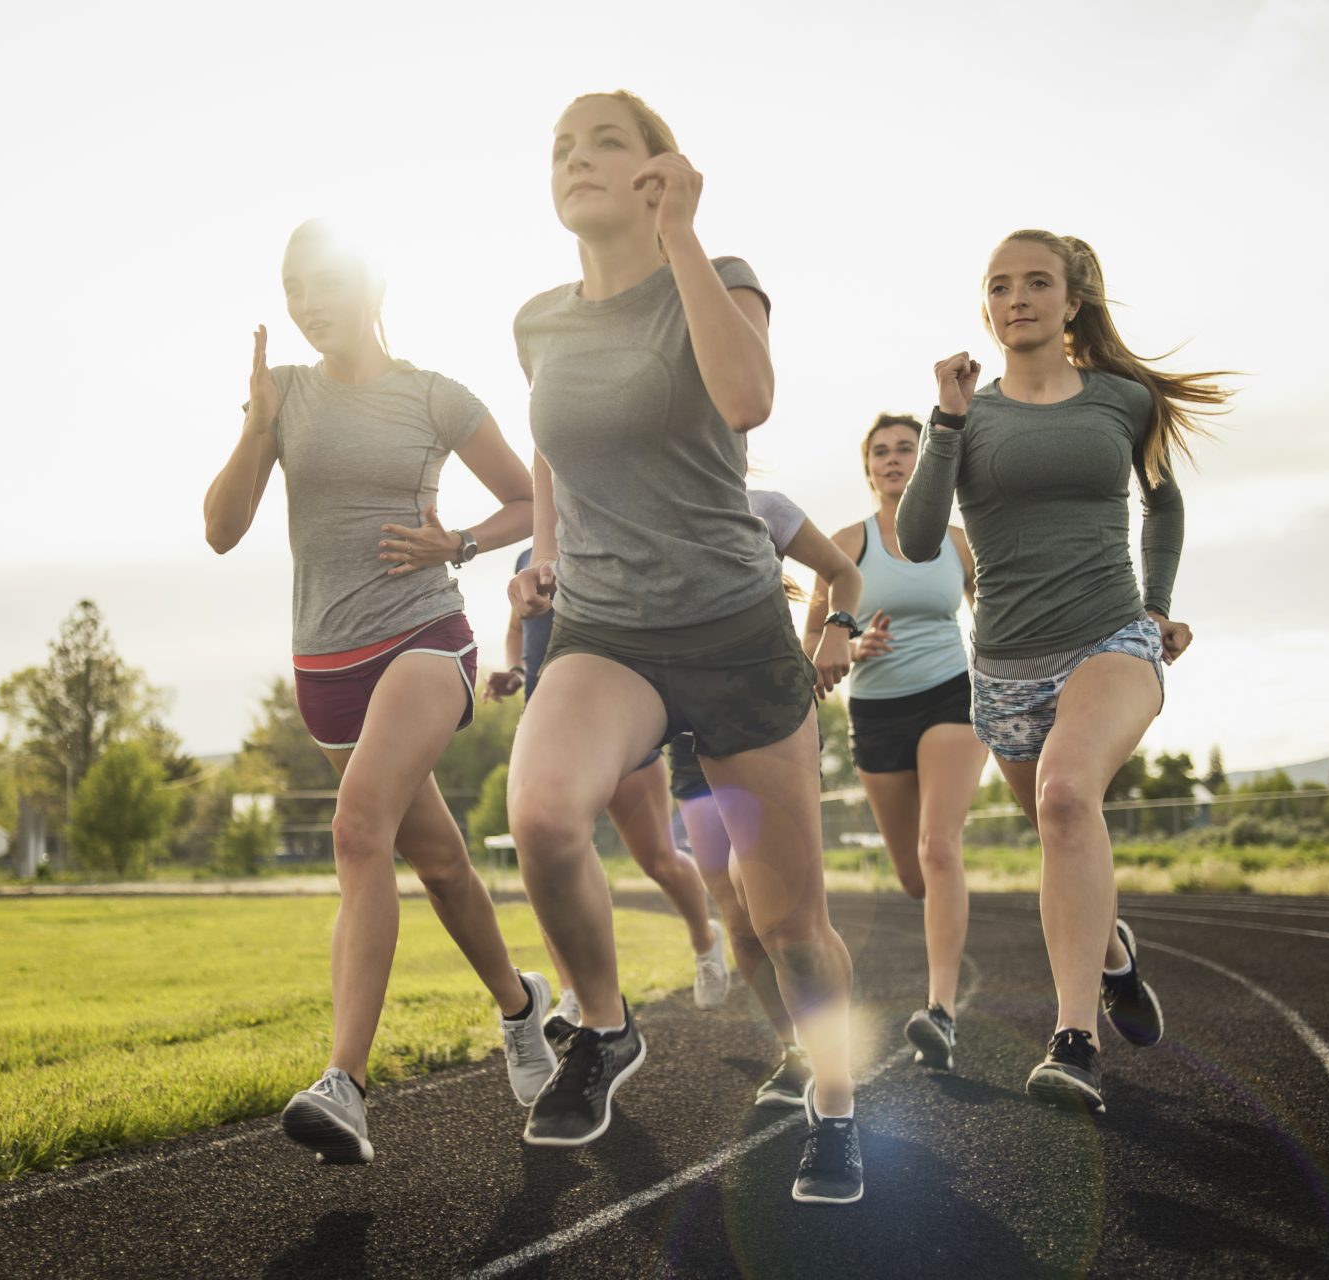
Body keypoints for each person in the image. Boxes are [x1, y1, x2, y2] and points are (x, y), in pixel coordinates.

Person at [505, 90, 863, 1203]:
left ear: (661, 166)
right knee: (541, 810)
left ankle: (836, 1104)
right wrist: (545, 555)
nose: (575, 159)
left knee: (788, 922)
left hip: (737, 634)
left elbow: (749, 397)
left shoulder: (719, 269)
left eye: (603, 140)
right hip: (609, 629)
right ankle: (604, 1026)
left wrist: (683, 237)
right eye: (560, 147)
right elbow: (554, 449)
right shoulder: (539, 321)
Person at [203, 219, 556, 1164]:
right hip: (323, 667)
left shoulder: (435, 396)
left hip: (424, 640)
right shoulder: (283, 395)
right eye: (294, 290)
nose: (309, 304)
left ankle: (346, 1085)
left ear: (368, 285)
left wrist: (462, 544)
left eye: (323, 283)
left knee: (358, 829)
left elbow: (530, 499)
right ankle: (522, 1009)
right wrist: (257, 429)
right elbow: (222, 530)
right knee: (438, 863)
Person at [896, 230, 1229, 1114]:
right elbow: (921, 540)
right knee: (1061, 832)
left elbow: (1164, 502)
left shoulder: (1123, 401)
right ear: (987, 309)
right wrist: (946, 419)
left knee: (1066, 797)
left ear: (1070, 300)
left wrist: (1156, 608)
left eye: (1037, 283)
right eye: (1000, 286)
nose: (1019, 299)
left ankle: (1073, 1042)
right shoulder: (969, 417)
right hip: (1004, 669)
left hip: (1110, 638)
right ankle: (1112, 954)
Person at [666, 487, 863, 1108]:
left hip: (762, 725)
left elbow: (843, 573)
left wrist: (837, 630)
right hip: (688, 741)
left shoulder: (762, 507)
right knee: (739, 919)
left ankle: (837, 1075)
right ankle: (793, 1052)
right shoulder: (641, 513)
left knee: (787, 919)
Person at [807, 414, 988, 1074]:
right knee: (914, 876)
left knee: (939, 846)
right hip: (877, 713)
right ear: (867, 469)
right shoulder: (846, 545)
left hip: (952, 697)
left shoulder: (961, 543)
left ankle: (940, 1010)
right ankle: (941, 983)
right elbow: (812, 647)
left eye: (905, 450)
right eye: (880, 452)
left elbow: (994, 619)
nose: (893, 460)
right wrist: (852, 645)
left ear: (926, 462)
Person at [485, 544, 732, 1019]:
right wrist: (517, 671)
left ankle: (705, 938)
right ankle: (575, 991)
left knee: (658, 858)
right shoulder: (525, 559)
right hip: (548, 727)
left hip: (617, 723)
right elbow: (519, 627)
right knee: (550, 856)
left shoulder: (608, 538)